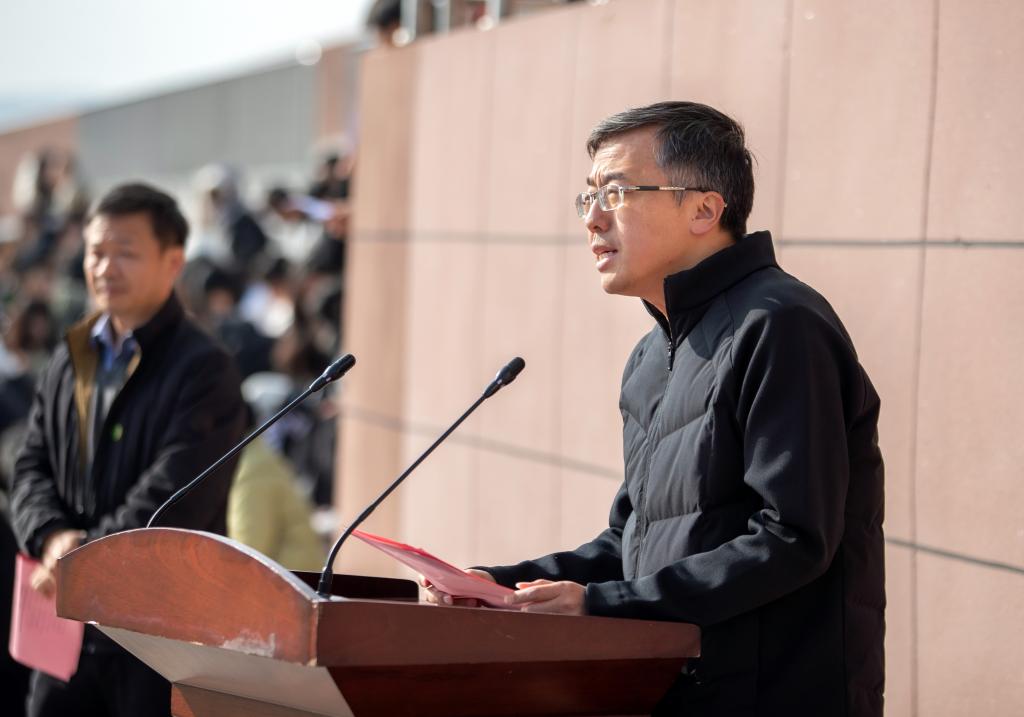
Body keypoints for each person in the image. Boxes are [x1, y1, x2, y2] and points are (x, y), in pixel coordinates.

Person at [423, 102, 885, 717]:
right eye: (588, 197)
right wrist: (499, 586)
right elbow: (632, 541)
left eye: (615, 193)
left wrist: (602, 606)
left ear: (704, 210)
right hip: (671, 691)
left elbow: (793, 537)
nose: (593, 219)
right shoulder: (651, 357)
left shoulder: (780, 326)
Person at [10, 182, 247, 717]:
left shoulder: (205, 368)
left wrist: (81, 557)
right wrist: (50, 536)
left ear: (173, 262)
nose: (105, 267)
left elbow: (175, 497)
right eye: (96, 251)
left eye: (126, 253)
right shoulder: (73, 354)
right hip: (65, 628)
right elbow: (30, 464)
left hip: (157, 640)